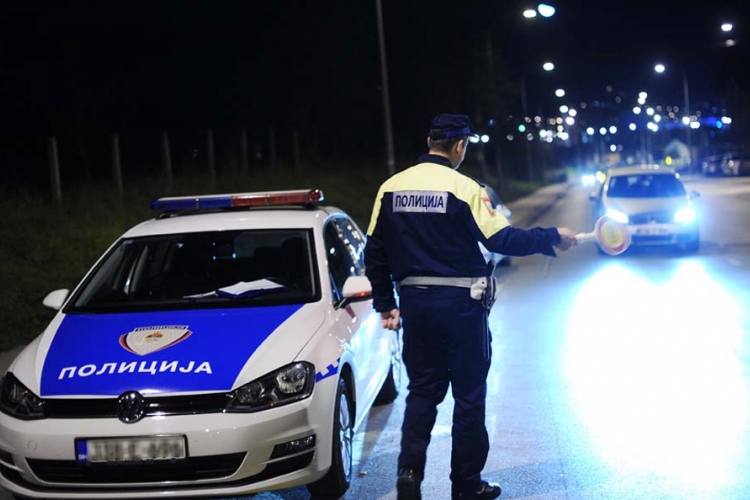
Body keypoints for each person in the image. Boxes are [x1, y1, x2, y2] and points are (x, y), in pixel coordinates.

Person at [363, 113, 578, 500]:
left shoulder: (390, 188)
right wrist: (551, 237)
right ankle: (465, 486)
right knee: (469, 396)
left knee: (423, 391)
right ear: (459, 147)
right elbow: (503, 239)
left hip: (415, 304)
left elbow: (374, 251)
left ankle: (409, 474)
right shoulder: (465, 188)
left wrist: (385, 303)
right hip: (462, 304)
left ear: (430, 142)